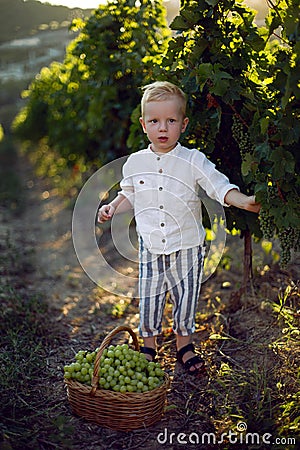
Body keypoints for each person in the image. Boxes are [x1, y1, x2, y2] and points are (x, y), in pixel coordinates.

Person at [98, 81, 260, 375]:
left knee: (186, 296)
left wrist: (244, 201)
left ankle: (184, 344)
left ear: (183, 124)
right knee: (149, 295)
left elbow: (218, 186)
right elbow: (129, 194)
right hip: (151, 247)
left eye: (171, 121)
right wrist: (112, 207)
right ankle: (149, 344)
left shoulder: (193, 160)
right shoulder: (135, 163)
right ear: (143, 124)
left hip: (187, 246)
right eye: (155, 121)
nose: (163, 128)